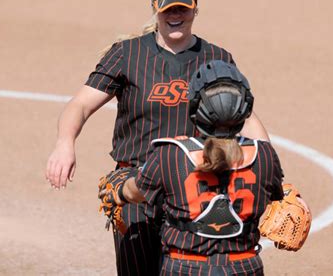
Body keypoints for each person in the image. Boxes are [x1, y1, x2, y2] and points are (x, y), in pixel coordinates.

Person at [46, 0, 270, 276]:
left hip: (195, 189)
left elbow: (246, 120)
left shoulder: (217, 58)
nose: (176, 15)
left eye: (183, 8)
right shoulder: (127, 54)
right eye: (168, 9)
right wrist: (64, 143)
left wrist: (268, 175)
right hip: (135, 187)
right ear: (155, 8)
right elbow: (80, 105)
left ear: (195, 8)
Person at [111, 61, 285, 275]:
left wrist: (119, 190)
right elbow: (277, 195)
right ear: (245, 108)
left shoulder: (171, 155)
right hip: (245, 267)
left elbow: (133, 192)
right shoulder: (266, 156)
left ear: (195, 108)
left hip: (186, 267)